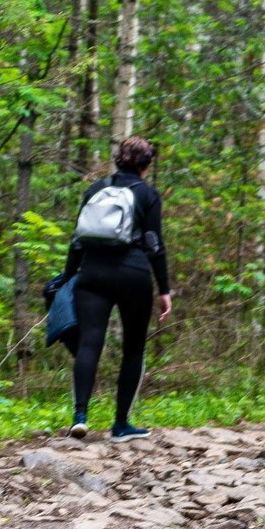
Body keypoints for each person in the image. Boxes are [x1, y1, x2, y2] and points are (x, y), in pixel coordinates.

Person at [63, 135, 173, 440]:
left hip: (93, 274)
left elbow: (77, 239)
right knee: (133, 349)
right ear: (146, 165)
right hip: (133, 275)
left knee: (88, 344)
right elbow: (154, 244)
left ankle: (79, 416)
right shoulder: (147, 194)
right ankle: (121, 424)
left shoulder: (96, 189)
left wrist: (67, 276)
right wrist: (164, 289)